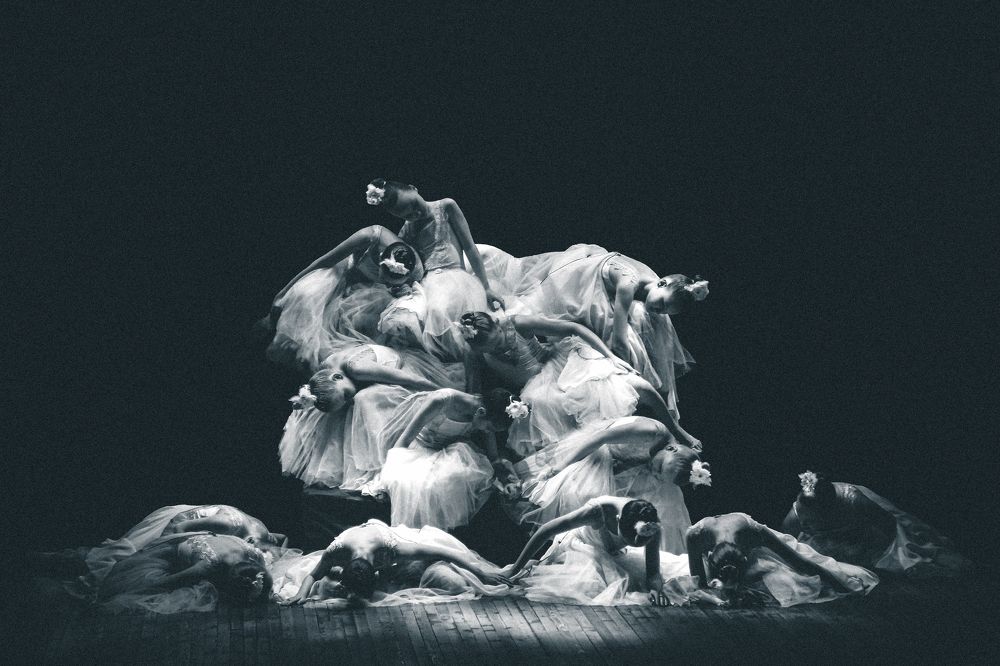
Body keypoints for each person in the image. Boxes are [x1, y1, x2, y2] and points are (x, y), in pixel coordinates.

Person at [480, 243, 706, 417]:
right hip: (578, 282)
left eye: (666, 310)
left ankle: (663, 400)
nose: (659, 309)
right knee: (625, 335)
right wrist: (622, 366)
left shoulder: (655, 285)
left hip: (599, 283)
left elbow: (657, 320)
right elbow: (618, 340)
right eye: (662, 303)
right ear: (662, 283)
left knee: (651, 323)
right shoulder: (628, 283)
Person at [458, 310, 701, 458]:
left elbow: (573, 328)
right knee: (572, 427)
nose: (498, 348)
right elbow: (475, 392)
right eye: (491, 349)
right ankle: (612, 455)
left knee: (639, 387)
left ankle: (676, 428)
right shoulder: (475, 353)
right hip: (537, 390)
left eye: (498, 340)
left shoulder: (517, 323)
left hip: (561, 366)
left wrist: (610, 355)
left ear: (498, 326)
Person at [279, 340, 462, 490]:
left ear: (337, 377)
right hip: (367, 379)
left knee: (364, 400)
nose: (348, 398)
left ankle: (384, 461)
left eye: (346, 394)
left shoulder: (358, 368)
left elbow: (413, 380)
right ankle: (358, 467)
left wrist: (447, 394)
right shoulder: (326, 374)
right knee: (336, 414)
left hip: (401, 369)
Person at [366, 179, 504, 361]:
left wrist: (485, 286)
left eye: (415, 205)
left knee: (467, 321)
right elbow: (410, 266)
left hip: (457, 278)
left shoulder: (446, 207)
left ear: (413, 188)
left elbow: (470, 247)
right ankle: (458, 361)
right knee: (435, 314)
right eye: (408, 215)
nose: (416, 214)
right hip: (430, 283)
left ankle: (476, 359)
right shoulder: (407, 231)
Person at [262, 225, 426, 371]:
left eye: (389, 281)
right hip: (342, 274)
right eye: (383, 277)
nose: (384, 281)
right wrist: (284, 291)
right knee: (304, 296)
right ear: (381, 257)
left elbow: (411, 293)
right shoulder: (369, 236)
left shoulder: (415, 270)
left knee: (356, 329)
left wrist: (399, 291)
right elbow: (323, 262)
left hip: (368, 293)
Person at [498, 496, 711, 606]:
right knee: (586, 586)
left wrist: (657, 589)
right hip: (581, 547)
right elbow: (545, 531)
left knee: (650, 581)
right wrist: (514, 568)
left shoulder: (651, 525)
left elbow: (653, 571)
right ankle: (528, 567)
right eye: (629, 540)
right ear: (618, 521)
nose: (637, 543)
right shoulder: (597, 511)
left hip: (616, 557)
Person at [511, 415, 705, 530]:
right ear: (671, 448)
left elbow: (639, 470)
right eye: (659, 468)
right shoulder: (652, 432)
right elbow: (601, 438)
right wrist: (561, 465)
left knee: (600, 503)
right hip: (599, 449)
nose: (655, 471)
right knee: (571, 490)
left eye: (660, 474)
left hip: (617, 464)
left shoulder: (666, 462)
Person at [374, 388, 526, 530]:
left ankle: (436, 536)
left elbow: (493, 457)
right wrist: (388, 476)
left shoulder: (484, 413)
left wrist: (506, 479)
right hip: (419, 449)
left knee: (460, 474)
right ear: (481, 412)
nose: (488, 432)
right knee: (422, 486)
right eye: (489, 428)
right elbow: (405, 439)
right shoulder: (441, 401)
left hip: (446, 453)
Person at [276, 519, 512, 606]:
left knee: (449, 578)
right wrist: (300, 593)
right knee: (327, 584)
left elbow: (444, 552)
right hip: (360, 539)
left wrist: (481, 573)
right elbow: (314, 574)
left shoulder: (393, 550)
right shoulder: (335, 552)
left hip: (394, 536)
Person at [37, 504, 285, 586]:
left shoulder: (262, 533)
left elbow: (282, 539)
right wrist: (168, 547)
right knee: (126, 554)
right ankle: (59, 560)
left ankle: (64, 560)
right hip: (175, 522)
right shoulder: (229, 524)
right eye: (254, 550)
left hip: (198, 533)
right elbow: (180, 527)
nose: (252, 553)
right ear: (250, 541)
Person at [781, 471, 973, 577]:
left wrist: (863, 547)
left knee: (906, 553)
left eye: (817, 515)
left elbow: (888, 524)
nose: (806, 520)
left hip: (868, 530)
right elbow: (784, 540)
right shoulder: (798, 511)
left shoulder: (855, 500)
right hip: (831, 538)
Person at [685, 512, 879, 607]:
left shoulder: (756, 532)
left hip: (759, 553)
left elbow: (801, 562)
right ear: (708, 556)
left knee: (798, 570)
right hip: (725, 561)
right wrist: (715, 597)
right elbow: (698, 582)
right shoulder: (695, 535)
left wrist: (843, 586)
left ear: (745, 558)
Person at [97, 532, 272, 614]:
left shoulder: (255, 556)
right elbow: (167, 582)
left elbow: (263, 579)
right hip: (170, 553)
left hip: (207, 537)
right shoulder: (209, 567)